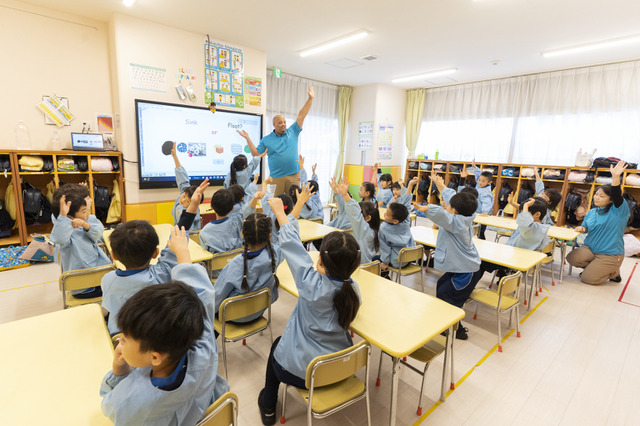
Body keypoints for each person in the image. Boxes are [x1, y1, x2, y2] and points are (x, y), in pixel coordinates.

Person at [100, 226, 229, 424]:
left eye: (124, 339)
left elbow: (109, 407)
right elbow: (200, 294)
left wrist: (119, 371)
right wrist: (182, 251)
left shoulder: (133, 400)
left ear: (155, 357)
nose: (121, 343)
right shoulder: (203, 348)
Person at [257, 197, 361, 426]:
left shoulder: (310, 284)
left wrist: (279, 213)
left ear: (321, 262)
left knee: (277, 346)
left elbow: (293, 248)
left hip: (306, 374)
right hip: (340, 367)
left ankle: (268, 405)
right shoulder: (353, 289)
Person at [102, 180, 208, 335]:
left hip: (120, 339)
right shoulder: (161, 274)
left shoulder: (107, 279)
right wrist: (193, 206)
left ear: (114, 256)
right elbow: (179, 232)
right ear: (156, 252)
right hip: (154, 337)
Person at [413, 173, 482, 340]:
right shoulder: (465, 216)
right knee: (442, 286)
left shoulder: (456, 223)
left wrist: (427, 208)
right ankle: (446, 322)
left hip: (466, 270)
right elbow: (453, 198)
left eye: (449, 206)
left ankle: (456, 328)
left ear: (455, 211)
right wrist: (440, 185)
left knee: (449, 297)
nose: (447, 205)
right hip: (461, 267)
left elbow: (443, 215)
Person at [242, 84, 314, 196]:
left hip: (294, 176)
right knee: (275, 204)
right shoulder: (266, 140)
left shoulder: (293, 131)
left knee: (294, 204)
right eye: (280, 122)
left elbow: (301, 115)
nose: (283, 124)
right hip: (276, 178)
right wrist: (248, 138)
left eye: (284, 122)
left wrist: (310, 99)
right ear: (274, 124)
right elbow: (256, 154)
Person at [213, 213, 280, 331]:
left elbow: (217, 297)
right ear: (270, 235)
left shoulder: (235, 264)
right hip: (258, 312)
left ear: (243, 235)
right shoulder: (274, 256)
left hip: (234, 317)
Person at [567, 161, 629, 285]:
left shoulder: (619, 211)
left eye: (601, 196)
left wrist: (616, 177)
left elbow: (617, 195)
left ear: (610, 200)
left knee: (588, 279)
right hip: (590, 249)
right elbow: (586, 227)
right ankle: (595, 268)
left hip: (610, 254)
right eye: (596, 194)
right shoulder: (592, 212)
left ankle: (613, 272)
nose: (596, 197)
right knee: (572, 258)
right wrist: (582, 228)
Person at [50, 188, 111, 298]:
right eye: (84, 211)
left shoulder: (83, 225)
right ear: (69, 217)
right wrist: (63, 217)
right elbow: (59, 238)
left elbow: (97, 234)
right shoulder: (66, 235)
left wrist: (86, 226)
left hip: (94, 279)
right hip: (85, 288)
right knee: (120, 287)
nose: (88, 214)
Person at [336, 177, 380, 264]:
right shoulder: (374, 230)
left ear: (367, 218)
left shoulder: (362, 229)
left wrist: (345, 195)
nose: (358, 214)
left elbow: (355, 214)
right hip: (369, 266)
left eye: (361, 213)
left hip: (359, 267)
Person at [199, 189, 243, 255]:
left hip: (215, 265)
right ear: (232, 208)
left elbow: (204, 256)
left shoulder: (204, 231)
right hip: (237, 262)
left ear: (211, 207)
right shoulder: (237, 224)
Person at [170, 142, 202, 231]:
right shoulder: (185, 191)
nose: (183, 200)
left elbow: (188, 233)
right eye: (183, 196)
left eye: (187, 201)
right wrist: (175, 156)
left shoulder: (190, 214)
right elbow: (182, 177)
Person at [378, 202, 416, 275]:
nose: (385, 214)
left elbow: (385, 248)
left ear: (395, 221)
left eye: (387, 214)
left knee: (374, 260)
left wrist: (385, 262)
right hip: (409, 259)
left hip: (397, 262)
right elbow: (406, 210)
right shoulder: (406, 223)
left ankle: (385, 278)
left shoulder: (383, 228)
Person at [461, 159, 493, 239]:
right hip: (476, 212)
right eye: (479, 180)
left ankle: (482, 240)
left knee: (480, 231)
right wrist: (474, 167)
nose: (480, 182)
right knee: (473, 229)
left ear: (489, 183)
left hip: (483, 214)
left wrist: (485, 212)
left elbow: (487, 203)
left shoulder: (486, 192)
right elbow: (479, 175)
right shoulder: (480, 185)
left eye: (483, 181)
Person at [294, 156, 323, 220]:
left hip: (309, 225)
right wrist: (314, 173)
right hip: (320, 225)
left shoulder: (308, 201)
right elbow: (315, 184)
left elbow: (304, 183)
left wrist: (301, 167)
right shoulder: (317, 196)